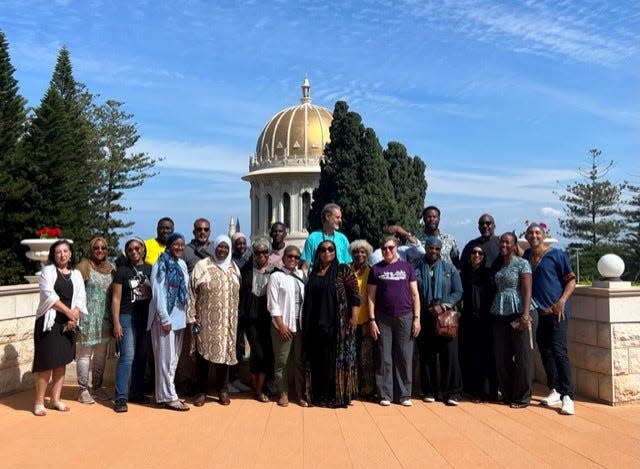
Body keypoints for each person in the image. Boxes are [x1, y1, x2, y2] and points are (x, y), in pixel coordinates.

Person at [524, 223, 577, 415]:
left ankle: (568, 396)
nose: (534, 235)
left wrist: (562, 301)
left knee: (559, 352)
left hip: (557, 313)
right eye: (530, 233)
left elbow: (571, 280)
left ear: (544, 235)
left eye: (537, 232)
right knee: (544, 352)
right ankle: (554, 388)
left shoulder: (557, 255)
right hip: (538, 314)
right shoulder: (526, 256)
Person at [303, 240, 361, 407]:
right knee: (318, 359)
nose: (326, 252)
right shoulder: (314, 273)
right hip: (315, 324)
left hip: (337, 325)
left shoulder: (343, 270)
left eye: (330, 249)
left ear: (335, 253)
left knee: (333, 359)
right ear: (318, 253)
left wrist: (354, 316)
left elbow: (355, 294)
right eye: (323, 249)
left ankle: (334, 396)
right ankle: (319, 395)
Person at [32, 240, 87, 416]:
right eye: (58, 252)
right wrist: (70, 313)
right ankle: (39, 402)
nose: (62, 254)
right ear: (53, 255)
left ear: (70, 254)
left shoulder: (77, 274)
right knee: (46, 363)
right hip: (50, 323)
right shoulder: (47, 272)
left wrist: (74, 316)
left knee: (61, 362)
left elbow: (80, 297)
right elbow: (49, 296)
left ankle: (56, 399)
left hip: (69, 324)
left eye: (65, 251)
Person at [187, 235, 241, 407]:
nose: (223, 250)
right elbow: (191, 292)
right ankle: (201, 391)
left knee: (224, 357)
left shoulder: (234, 268)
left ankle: (222, 390)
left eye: (226, 247)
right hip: (205, 321)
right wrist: (191, 316)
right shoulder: (202, 266)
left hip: (228, 321)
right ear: (214, 247)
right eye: (220, 247)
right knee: (203, 355)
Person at [367, 235, 421, 406]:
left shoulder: (407, 267)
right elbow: (370, 297)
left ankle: (404, 394)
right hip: (383, 317)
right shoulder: (376, 269)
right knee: (384, 356)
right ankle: (385, 394)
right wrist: (372, 320)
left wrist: (417, 318)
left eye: (390, 247)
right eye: (384, 248)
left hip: (405, 315)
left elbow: (415, 294)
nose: (387, 251)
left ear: (397, 248)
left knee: (404, 356)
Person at [415, 237, 463, 405]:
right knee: (426, 355)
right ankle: (429, 391)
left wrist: (442, 306)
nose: (433, 251)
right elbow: (413, 291)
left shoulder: (450, 269)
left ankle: (451, 392)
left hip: (445, 317)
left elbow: (458, 291)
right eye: (430, 248)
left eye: (436, 248)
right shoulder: (417, 269)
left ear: (440, 250)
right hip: (425, 315)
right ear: (426, 248)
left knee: (449, 355)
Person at [490, 232, 535, 409]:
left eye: (507, 242)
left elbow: (527, 290)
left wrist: (525, 315)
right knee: (502, 356)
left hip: (520, 312)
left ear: (515, 245)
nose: (503, 245)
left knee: (523, 356)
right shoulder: (499, 264)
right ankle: (508, 393)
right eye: (501, 242)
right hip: (500, 312)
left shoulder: (522, 263)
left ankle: (522, 396)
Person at [148, 233, 190, 411]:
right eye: (176, 244)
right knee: (164, 359)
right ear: (170, 245)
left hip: (179, 317)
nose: (179, 247)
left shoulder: (181, 264)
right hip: (164, 318)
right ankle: (168, 396)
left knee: (173, 359)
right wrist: (164, 317)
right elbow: (158, 292)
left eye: (182, 245)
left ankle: (165, 394)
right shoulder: (161, 263)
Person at [112, 237, 152, 413]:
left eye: (137, 248)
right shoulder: (122, 271)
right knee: (127, 356)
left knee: (141, 357)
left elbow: (156, 293)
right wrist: (116, 323)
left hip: (145, 317)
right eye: (130, 250)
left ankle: (136, 392)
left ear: (143, 249)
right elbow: (116, 298)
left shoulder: (151, 268)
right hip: (127, 316)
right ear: (126, 253)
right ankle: (121, 397)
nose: (134, 251)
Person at [267, 245, 307, 407]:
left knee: (299, 361)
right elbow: (272, 304)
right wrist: (281, 325)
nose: (293, 260)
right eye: (290, 256)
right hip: (282, 325)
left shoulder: (302, 275)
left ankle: (299, 393)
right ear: (283, 258)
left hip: (300, 325)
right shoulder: (276, 276)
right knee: (282, 361)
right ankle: (282, 392)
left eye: (297, 258)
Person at [75, 236, 114, 404]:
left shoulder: (112, 268)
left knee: (101, 354)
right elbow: (75, 292)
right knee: (84, 354)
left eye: (103, 248)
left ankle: (97, 387)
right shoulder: (84, 267)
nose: (100, 251)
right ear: (91, 250)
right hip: (87, 318)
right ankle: (83, 389)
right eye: (96, 248)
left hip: (104, 319)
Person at [460, 244, 498, 402]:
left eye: (480, 253)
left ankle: (488, 392)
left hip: (486, 320)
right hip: (468, 320)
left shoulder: (489, 274)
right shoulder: (463, 274)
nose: (476, 255)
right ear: (469, 256)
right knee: (470, 356)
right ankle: (472, 390)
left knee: (487, 356)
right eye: (474, 253)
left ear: (484, 257)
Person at [238, 238, 275, 403]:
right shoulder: (246, 270)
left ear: (269, 253)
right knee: (258, 352)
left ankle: (257, 385)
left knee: (264, 353)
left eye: (264, 252)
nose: (261, 255)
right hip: (250, 318)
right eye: (257, 252)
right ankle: (259, 389)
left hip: (267, 319)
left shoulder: (275, 272)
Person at [349, 239, 376, 400]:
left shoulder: (372, 271)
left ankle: (367, 389)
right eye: (356, 252)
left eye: (363, 252)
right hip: (349, 320)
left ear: (367, 254)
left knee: (366, 356)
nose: (360, 255)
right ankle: (352, 388)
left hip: (367, 319)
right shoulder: (346, 270)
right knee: (351, 355)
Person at [301, 203, 352, 271]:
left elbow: (348, 265)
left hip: (338, 279)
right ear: (327, 217)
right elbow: (305, 267)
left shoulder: (343, 239)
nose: (340, 220)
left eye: (340, 218)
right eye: (337, 217)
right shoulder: (312, 238)